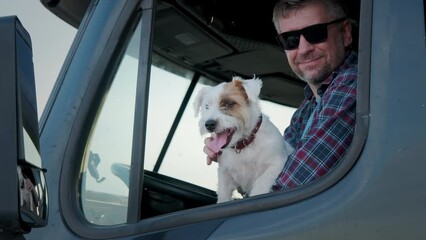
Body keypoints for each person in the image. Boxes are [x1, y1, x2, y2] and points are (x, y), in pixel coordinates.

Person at [203, 0, 357, 191]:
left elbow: (288, 189)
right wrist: (235, 160)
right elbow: (270, 178)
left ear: (346, 33)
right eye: (290, 40)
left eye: (316, 33)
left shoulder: (354, 83)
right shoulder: (307, 109)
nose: (303, 48)